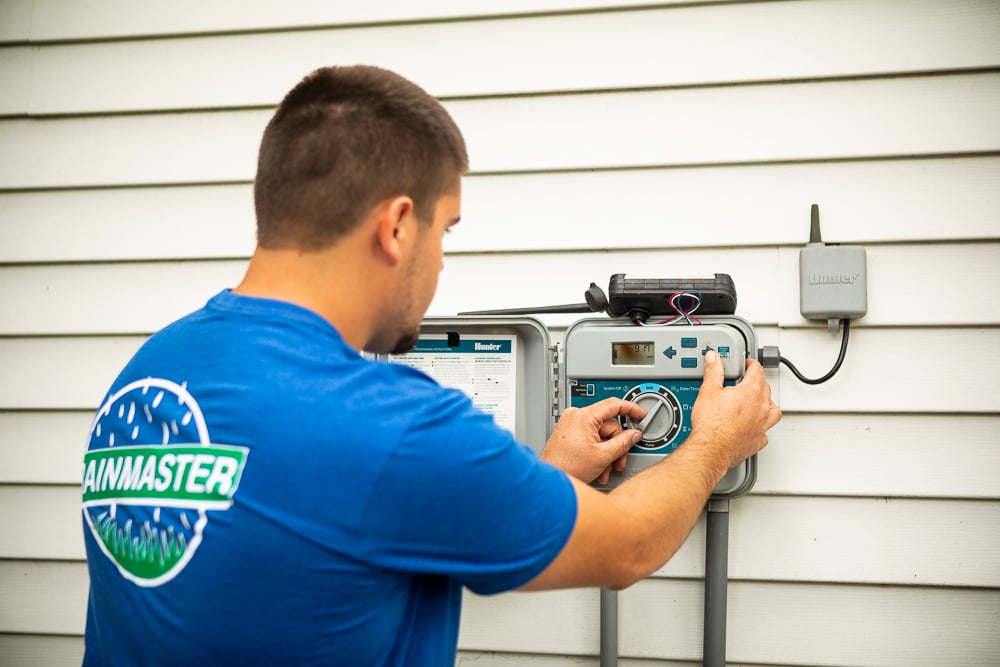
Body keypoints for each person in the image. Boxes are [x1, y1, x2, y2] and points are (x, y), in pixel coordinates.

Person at [80, 65, 780, 666]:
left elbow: (310, 524)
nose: (442, 260)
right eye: (444, 231)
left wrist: (548, 471)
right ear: (395, 226)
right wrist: (717, 440)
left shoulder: (150, 372)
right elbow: (626, 547)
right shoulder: (391, 423)